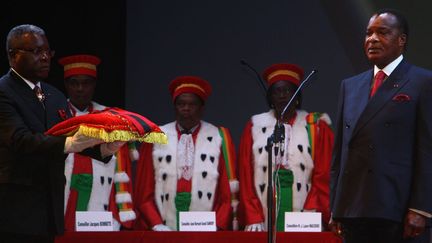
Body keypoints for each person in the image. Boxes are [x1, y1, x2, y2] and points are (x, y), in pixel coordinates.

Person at [0, 24, 123, 243]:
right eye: (37, 52)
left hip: (50, 209)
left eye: (48, 51)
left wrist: (105, 147)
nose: (46, 57)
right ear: (13, 55)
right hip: (14, 210)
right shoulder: (4, 91)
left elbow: (74, 133)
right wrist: (69, 144)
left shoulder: (53, 94)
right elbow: (21, 140)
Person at [330, 9, 432, 243]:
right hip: (353, 209)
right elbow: (340, 154)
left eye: (382, 32)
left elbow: (427, 150)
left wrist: (420, 208)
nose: (372, 39)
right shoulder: (350, 86)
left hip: (398, 209)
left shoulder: (422, 82)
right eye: (368, 33)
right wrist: (337, 207)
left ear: (401, 40)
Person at [237, 63, 334, 232]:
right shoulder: (255, 126)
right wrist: (253, 216)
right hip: (264, 216)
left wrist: (313, 209)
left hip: (305, 215)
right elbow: (245, 174)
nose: (282, 95)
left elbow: (324, 175)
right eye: (277, 91)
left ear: (297, 96)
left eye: (288, 90)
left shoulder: (315, 125)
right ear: (270, 98)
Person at [133, 76, 235, 231]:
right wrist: (156, 224)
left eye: (192, 104)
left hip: (206, 229)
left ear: (202, 108)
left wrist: (218, 226)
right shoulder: (156, 136)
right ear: (174, 107)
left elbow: (226, 193)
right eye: (181, 104)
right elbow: (144, 190)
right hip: (163, 226)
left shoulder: (217, 136)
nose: (186, 108)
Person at [59, 54, 136, 231]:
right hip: (63, 198)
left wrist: (120, 211)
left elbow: (122, 171)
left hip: (102, 199)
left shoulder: (111, 118)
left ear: (94, 85)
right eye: (74, 83)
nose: (80, 88)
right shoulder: (57, 116)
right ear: (66, 85)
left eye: (86, 83)